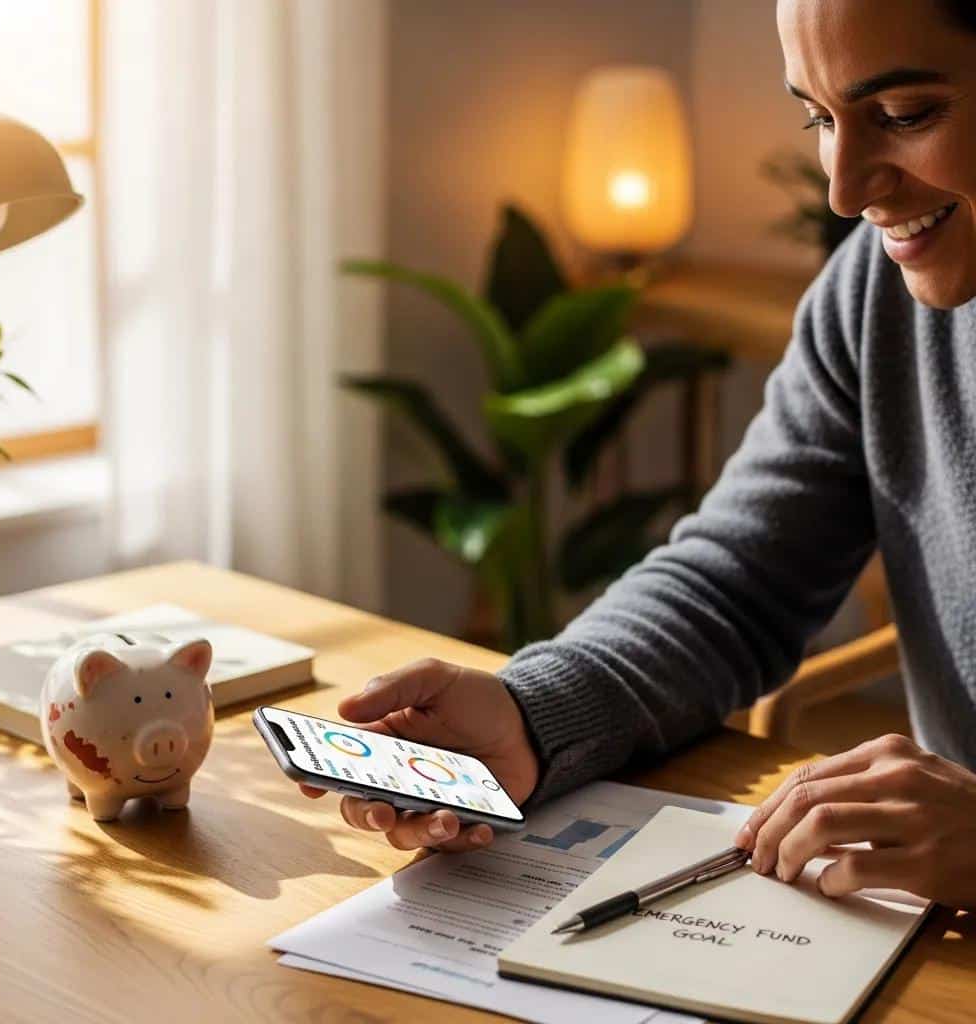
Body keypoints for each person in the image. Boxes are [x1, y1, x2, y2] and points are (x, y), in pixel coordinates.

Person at [305, 0, 976, 909]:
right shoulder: (872, 289)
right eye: (819, 119)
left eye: (903, 115)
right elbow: (737, 583)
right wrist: (530, 716)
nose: (846, 192)